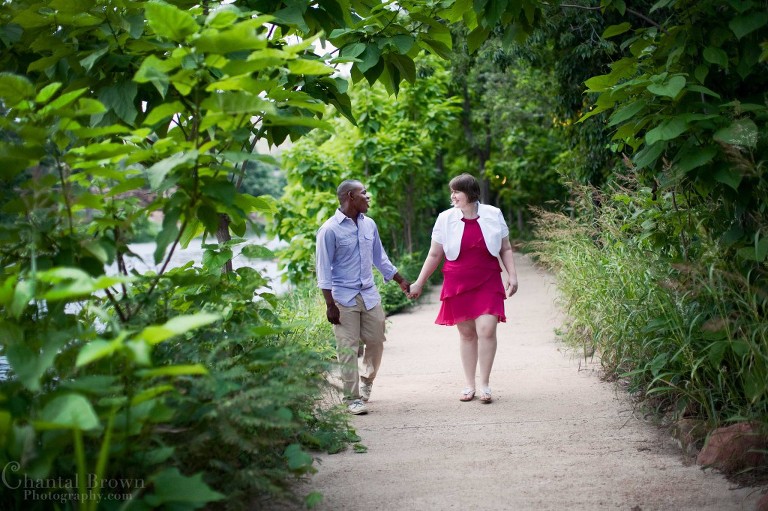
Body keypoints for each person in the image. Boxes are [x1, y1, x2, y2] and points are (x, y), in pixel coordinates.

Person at [408, 173, 518, 404]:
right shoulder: (445, 218)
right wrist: (419, 282)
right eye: (452, 191)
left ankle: (485, 384)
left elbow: (505, 248)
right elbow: (434, 254)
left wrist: (512, 276)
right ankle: (469, 385)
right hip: (458, 281)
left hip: (487, 278)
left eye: (457, 191)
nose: (453, 195)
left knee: (487, 329)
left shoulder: (493, 214)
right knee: (467, 334)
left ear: (470, 193)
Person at [316, 179, 411, 415]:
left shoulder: (369, 225)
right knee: (347, 347)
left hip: (368, 294)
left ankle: (367, 381)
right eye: (364, 193)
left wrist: (400, 280)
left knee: (377, 340)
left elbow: (380, 257)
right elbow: (323, 269)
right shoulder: (329, 230)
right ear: (350, 196)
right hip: (343, 298)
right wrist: (330, 305)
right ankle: (352, 397)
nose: (368, 197)